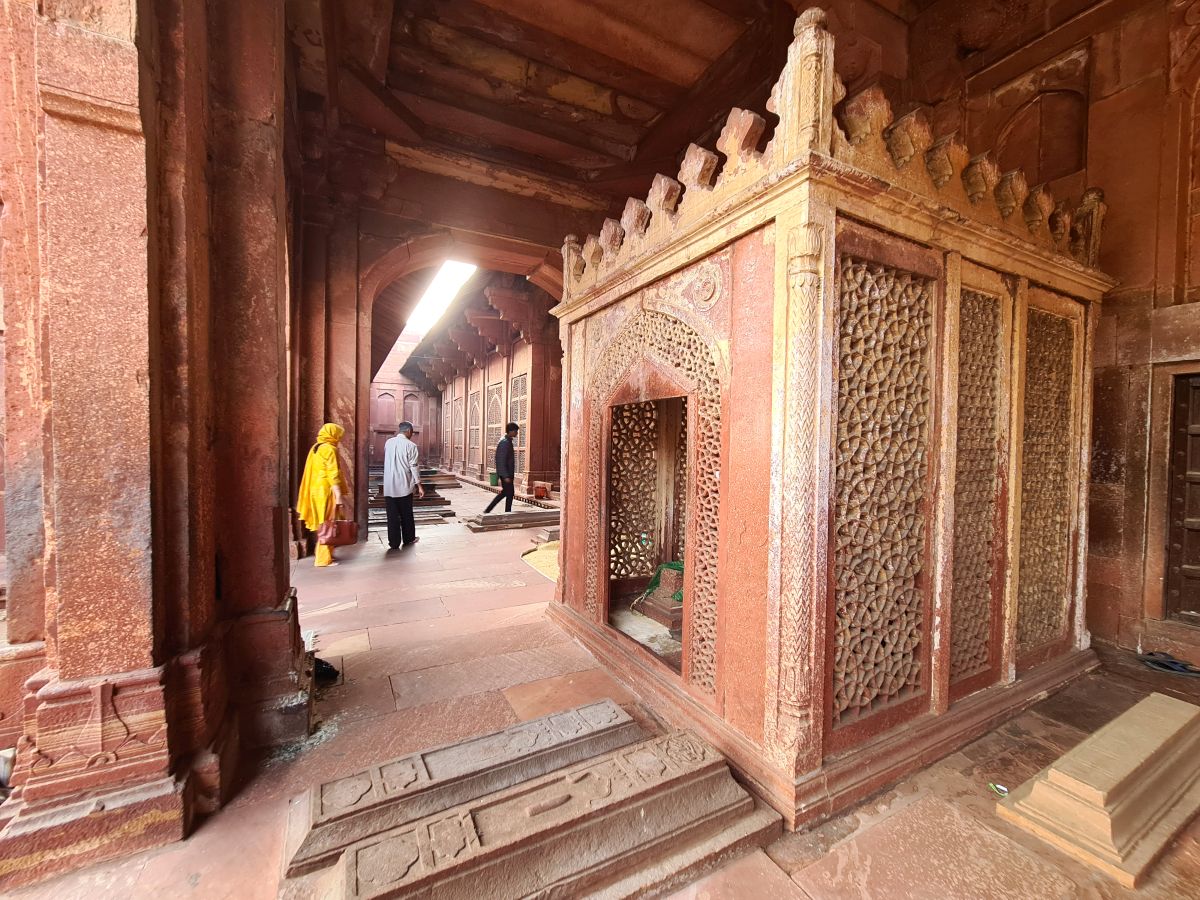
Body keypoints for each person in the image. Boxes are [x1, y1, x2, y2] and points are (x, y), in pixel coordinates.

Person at [296, 423, 348, 567]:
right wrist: (338, 495)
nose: (339, 438)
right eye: (338, 435)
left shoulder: (316, 448)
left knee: (324, 523)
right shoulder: (330, 449)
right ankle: (323, 559)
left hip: (315, 490)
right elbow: (333, 474)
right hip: (326, 490)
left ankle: (327, 554)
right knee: (328, 524)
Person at [383, 421, 424, 549]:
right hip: (404, 485)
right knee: (406, 514)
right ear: (409, 431)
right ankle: (409, 539)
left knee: (392, 516)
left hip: (389, 486)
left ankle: (393, 543)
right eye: (412, 432)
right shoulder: (411, 445)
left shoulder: (388, 443)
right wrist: (419, 485)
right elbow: (413, 467)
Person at [484, 422, 519, 514]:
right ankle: (492, 510)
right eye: (516, 431)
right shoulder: (504, 442)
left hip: (507, 473)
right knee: (508, 493)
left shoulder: (508, 441)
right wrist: (505, 476)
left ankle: (504, 511)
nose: (517, 433)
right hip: (506, 474)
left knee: (507, 493)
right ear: (511, 431)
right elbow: (500, 460)